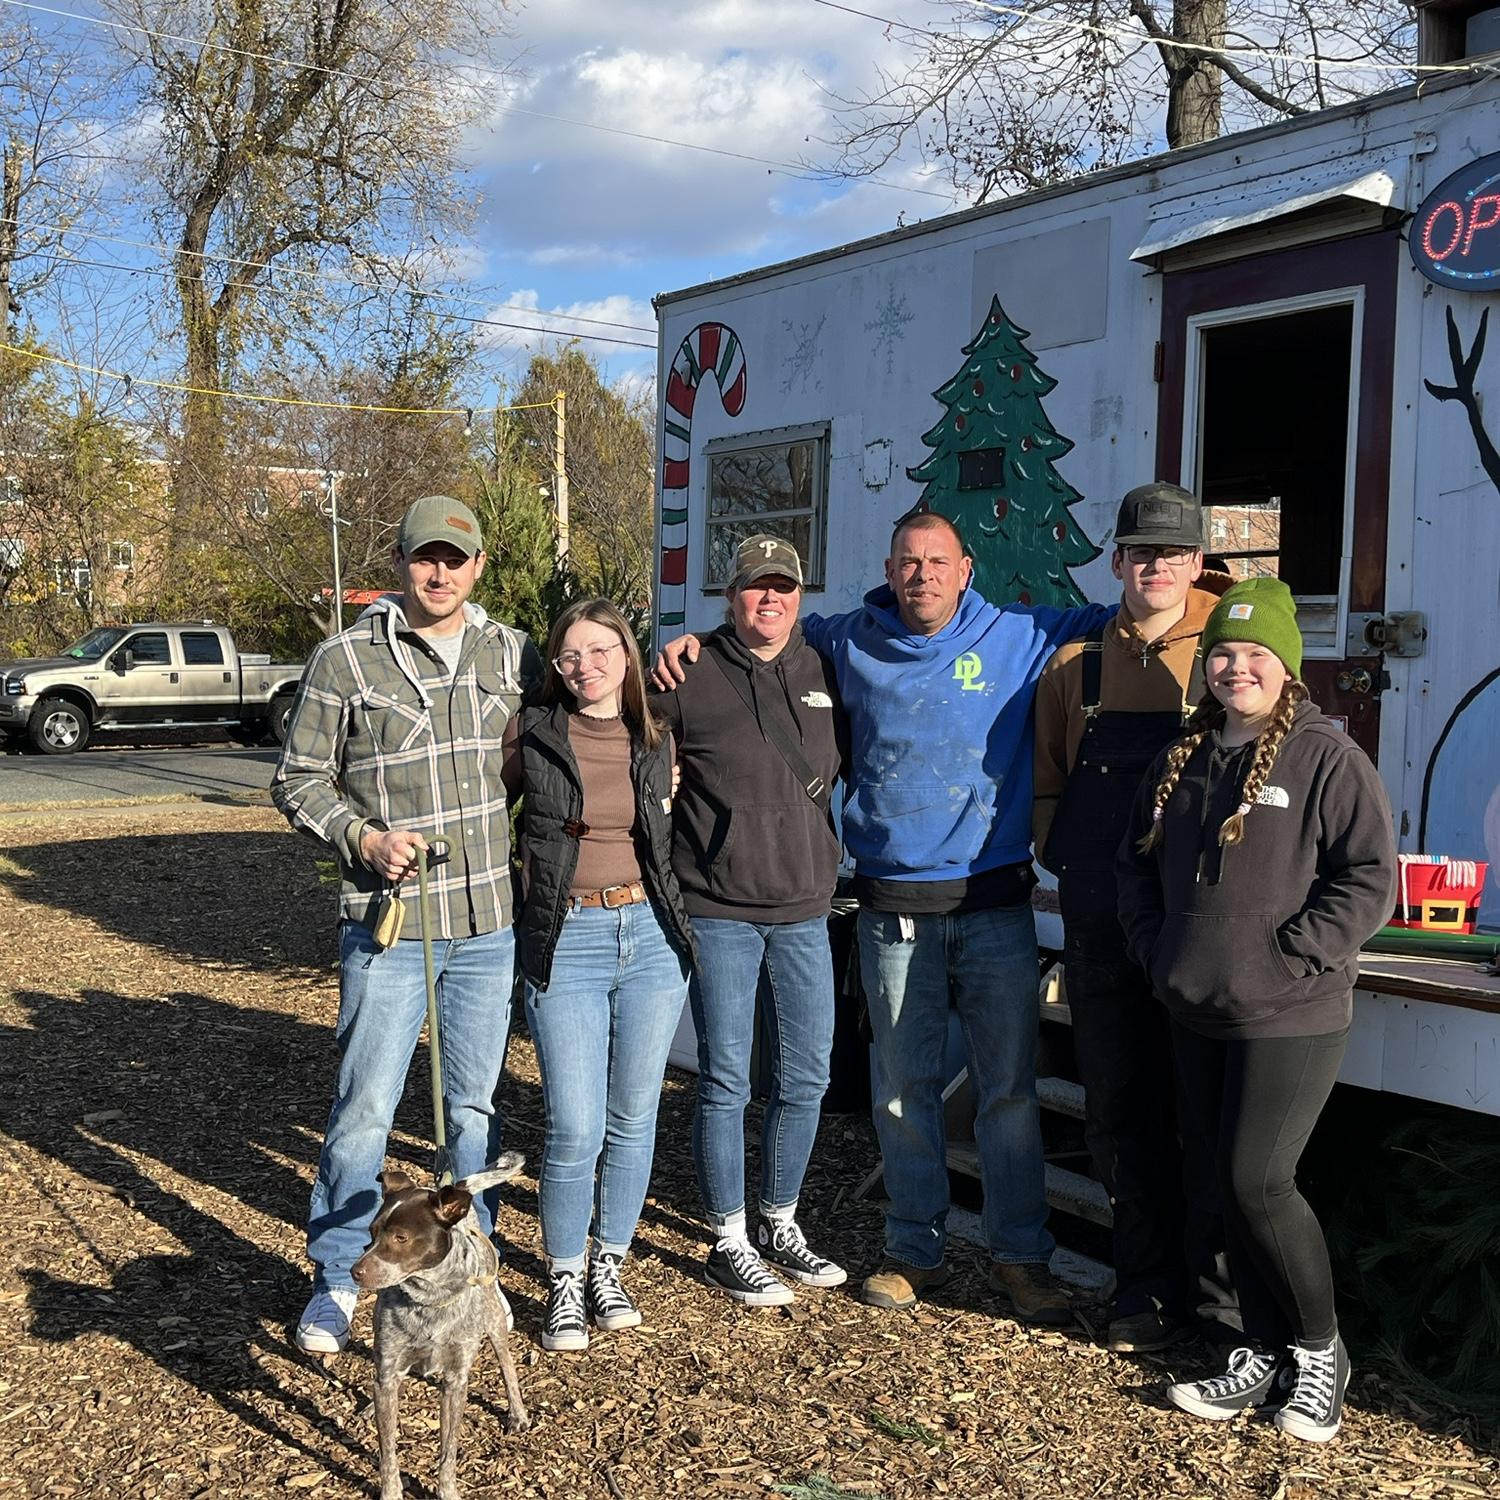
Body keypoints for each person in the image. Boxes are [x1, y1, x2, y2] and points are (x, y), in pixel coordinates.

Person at [658, 511, 1111, 1323]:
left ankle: (1021, 1256)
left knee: (1008, 1092)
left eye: (937, 561)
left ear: (965, 570)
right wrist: (687, 643)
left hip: (994, 905)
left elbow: (1123, 619)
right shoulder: (850, 639)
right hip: (891, 908)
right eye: (907, 560)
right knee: (902, 1090)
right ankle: (913, 1248)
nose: (922, 574)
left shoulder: (1018, 635)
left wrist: (1216, 602)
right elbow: (762, 630)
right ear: (889, 569)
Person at [1117, 577, 1396, 1444]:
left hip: (1291, 1012)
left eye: (1256, 655)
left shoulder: (1327, 758)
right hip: (1195, 1006)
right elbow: (1134, 870)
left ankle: (1319, 1353)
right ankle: (1259, 1348)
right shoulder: (1182, 758)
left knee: (1257, 1180)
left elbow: (1368, 880)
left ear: (1287, 667)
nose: (1237, 668)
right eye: (1224, 654)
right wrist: (1157, 952)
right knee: (1214, 1181)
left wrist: (1287, 957)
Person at [273, 494, 541, 1355]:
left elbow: (577, 729)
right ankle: (336, 1275)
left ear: (479, 566)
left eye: (455, 560)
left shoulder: (514, 654)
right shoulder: (346, 658)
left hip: (487, 922)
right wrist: (364, 838)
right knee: (365, 1109)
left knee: (472, 1110)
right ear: (399, 562)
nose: (440, 573)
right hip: (389, 928)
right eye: (426, 557)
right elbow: (297, 779)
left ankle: (471, 1269)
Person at [1032, 482, 1239, 1354]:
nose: (1156, 565)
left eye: (1173, 552)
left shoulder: (1232, 650)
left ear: (1198, 562)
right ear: (1116, 561)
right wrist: (1069, 864)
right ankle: (1143, 1290)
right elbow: (1049, 780)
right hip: (1100, 916)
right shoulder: (1073, 665)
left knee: (1206, 1110)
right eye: (1141, 551)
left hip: (1200, 913)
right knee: (1119, 1106)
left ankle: (1219, 1308)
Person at [651, 535, 847, 1306]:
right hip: (720, 909)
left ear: (801, 595)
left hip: (804, 910)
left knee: (808, 1076)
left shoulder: (828, 669)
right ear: (730, 596)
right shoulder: (687, 674)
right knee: (727, 1078)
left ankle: (780, 1220)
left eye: (783, 586)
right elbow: (623, 737)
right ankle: (727, 1238)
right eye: (755, 586)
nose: (770, 598)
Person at [502, 599, 694, 1353]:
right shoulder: (533, 732)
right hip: (568, 937)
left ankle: (609, 1263)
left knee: (633, 1117)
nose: (586, 666)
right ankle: (564, 1275)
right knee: (575, 1125)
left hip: (649, 935)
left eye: (600, 650)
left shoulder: (656, 736)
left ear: (626, 654)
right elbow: (484, 813)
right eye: (570, 655)